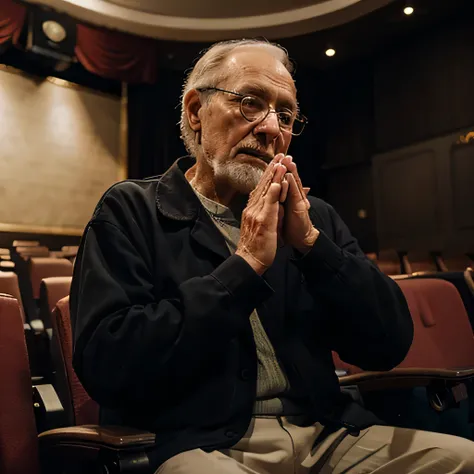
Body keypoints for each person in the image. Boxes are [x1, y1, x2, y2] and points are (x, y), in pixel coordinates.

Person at [70, 39, 474, 473]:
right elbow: (109, 366)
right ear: (195, 112)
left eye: (285, 115)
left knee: (463, 459)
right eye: (250, 103)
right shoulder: (131, 209)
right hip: (199, 442)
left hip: (328, 433)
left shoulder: (313, 217)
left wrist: (314, 247)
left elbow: (388, 345)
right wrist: (245, 267)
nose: (270, 128)